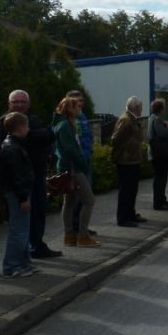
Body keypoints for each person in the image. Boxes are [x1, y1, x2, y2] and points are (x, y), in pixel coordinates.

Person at [0, 90, 61, 259]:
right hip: (20, 179)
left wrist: (34, 134)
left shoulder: (34, 118)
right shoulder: (6, 121)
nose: (19, 104)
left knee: (39, 211)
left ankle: (37, 245)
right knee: (21, 222)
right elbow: (34, 138)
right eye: (15, 102)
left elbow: (50, 135)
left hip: (37, 174)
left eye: (22, 101)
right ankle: (20, 259)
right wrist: (35, 134)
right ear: (9, 104)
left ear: (28, 104)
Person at [53, 97, 99, 247]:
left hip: (67, 167)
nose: (79, 109)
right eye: (76, 107)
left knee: (69, 202)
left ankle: (69, 236)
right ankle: (82, 236)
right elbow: (70, 149)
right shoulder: (65, 125)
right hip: (73, 169)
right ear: (70, 109)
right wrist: (83, 163)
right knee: (89, 200)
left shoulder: (61, 123)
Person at [0, 112, 39, 277]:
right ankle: (12, 266)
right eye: (27, 126)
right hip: (17, 194)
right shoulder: (12, 147)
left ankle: (24, 262)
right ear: (21, 127)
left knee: (23, 229)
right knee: (19, 230)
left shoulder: (14, 144)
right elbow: (16, 175)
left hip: (19, 192)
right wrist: (23, 198)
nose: (28, 129)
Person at [111, 96, 146, 228]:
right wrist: (128, 146)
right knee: (125, 191)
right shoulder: (125, 120)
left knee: (132, 190)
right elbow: (115, 139)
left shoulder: (132, 119)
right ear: (135, 107)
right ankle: (123, 218)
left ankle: (131, 214)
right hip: (125, 160)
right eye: (140, 107)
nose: (142, 110)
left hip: (133, 160)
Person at [66, 90, 95, 237]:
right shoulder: (69, 119)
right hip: (77, 163)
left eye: (81, 101)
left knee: (85, 196)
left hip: (86, 159)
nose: (80, 104)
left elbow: (87, 136)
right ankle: (76, 228)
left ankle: (82, 226)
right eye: (76, 101)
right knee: (79, 198)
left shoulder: (81, 115)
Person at [148, 99, 168, 210]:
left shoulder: (153, 118)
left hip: (158, 152)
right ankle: (158, 202)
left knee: (162, 177)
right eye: (164, 107)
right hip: (159, 153)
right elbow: (164, 134)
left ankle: (162, 199)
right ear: (161, 109)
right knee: (160, 178)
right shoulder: (157, 119)